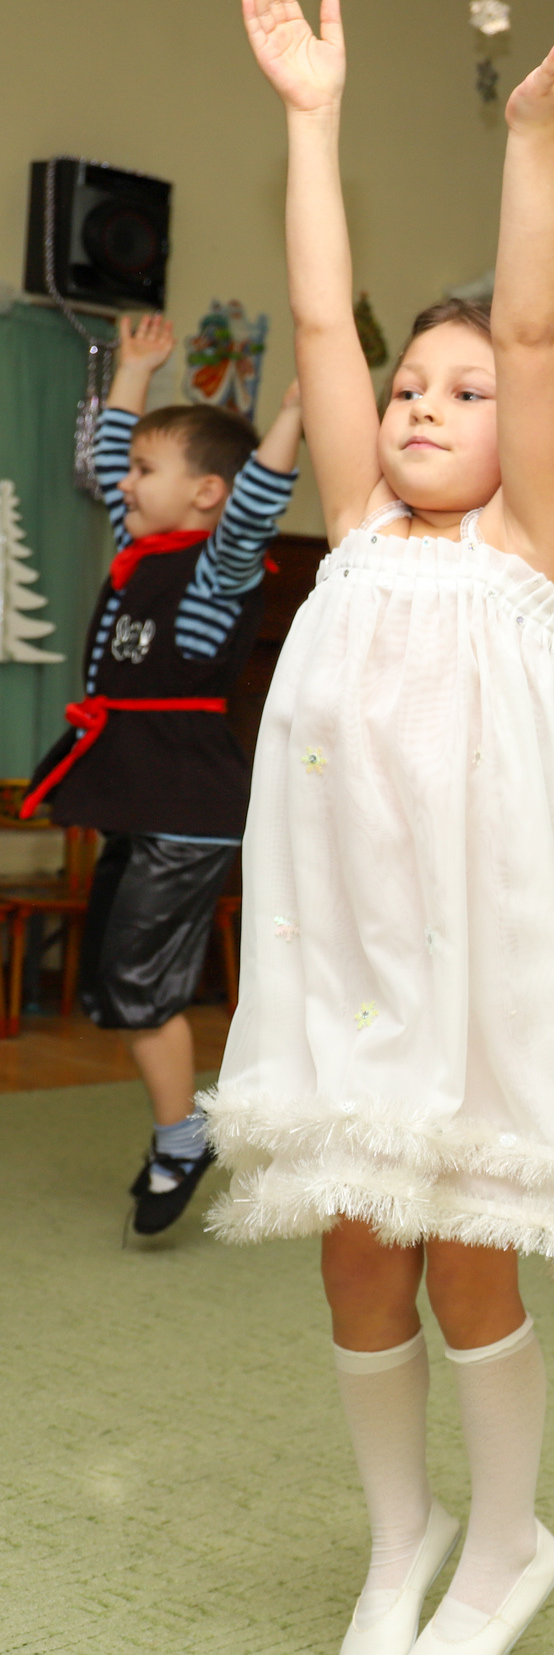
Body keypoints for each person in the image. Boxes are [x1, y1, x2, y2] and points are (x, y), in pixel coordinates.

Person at [206, 0, 554, 1655]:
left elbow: (529, 329)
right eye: (412, 385)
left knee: (470, 1264)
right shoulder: (357, 528)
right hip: (347, 966)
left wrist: (533, 140)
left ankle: (507, 1542)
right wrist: (309, 122)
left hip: (480, 975)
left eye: (462, 393)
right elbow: (322, 322)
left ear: (535, 433)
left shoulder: (524, 553)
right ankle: (402, 1540)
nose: (420, 404)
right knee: (356, 1261)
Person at [19, 311, 300, 1237]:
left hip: (187, 806)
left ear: (208, 493)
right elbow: (109, 466)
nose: (125, 484)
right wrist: (136, 371)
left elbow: (257, 503)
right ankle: (181, 1125)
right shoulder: (143, 548)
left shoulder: (219, 569)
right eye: (131, 470)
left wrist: (293, 417)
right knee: (116, 984)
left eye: (148, 471)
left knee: (141, 989)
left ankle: (183, 1135)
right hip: (142, 796)